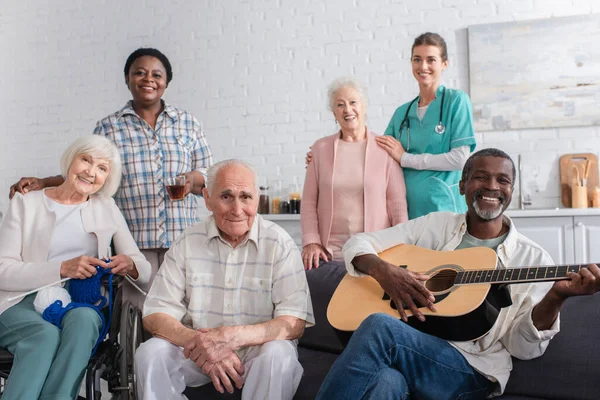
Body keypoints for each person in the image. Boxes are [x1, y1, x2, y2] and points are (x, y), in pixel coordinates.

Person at [316, 148, 600, 399]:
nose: (492, 186)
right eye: (481, 177)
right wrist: (384, 272)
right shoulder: (436, 226)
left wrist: (557, 296)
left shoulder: (533, 259)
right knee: (386, 382)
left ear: (511, 191)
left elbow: (523, 348)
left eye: (503, 180)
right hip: (412, 350)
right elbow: (358, 242)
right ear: (462, 184)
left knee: (379, 326)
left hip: (472, 371)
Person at [9, 48, 213, 306]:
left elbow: (210, 174)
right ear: (127, 79)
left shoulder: (188, 123)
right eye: (139, 73)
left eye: (156, 75)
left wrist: (192, 179)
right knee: (142, 314)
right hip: (137, 240)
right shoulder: (109, 127)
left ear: (166, 82)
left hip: (183, 238)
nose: (148, 79)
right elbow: (87, 173)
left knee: (189, 309)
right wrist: (44, 183)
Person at [135, 159, 314, 400]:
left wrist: (233, 337)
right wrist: (202, 343)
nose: (237, 209)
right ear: (207, 198)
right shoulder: (187, 241)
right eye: (227, 197)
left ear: (257, 199)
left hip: (255, 350)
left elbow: (294, 322)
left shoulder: (279, 243)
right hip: (195, 350)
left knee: (278, 354)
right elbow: (155, 314)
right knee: (150, 353)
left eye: (246, 197)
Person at [0, 136, 151, 400]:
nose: (91, 172)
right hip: (18, 299)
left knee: (85, 320)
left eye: (102, 168)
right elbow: (3, 270)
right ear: (71, 160)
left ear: (108, 178)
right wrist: (62, 268)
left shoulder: (106, 207)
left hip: (78, 299)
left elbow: (144, 268)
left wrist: (129, 264)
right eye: (86, 160)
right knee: (43, 337)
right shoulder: (26, 203)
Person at [301, 77, 408, 270]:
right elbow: (308, 202)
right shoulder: (320, 148)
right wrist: (311, 241)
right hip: (329, 255)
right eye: (340, 105)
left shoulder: (384, 148)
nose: (347, 110)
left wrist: (401, 246)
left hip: (376, 254)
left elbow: (397, 204)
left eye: (353, 102)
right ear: (334, 112)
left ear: (364, 106)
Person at [375, 32, 476, 219]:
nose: (423, 66)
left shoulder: (456, 101)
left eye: (431, 60)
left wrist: (405, 158)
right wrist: (325, 156)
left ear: (444, 64)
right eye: (417, 59)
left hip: (443, 209)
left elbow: (459, 159)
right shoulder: (402, 113)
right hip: (406, 211)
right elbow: (377, 152)